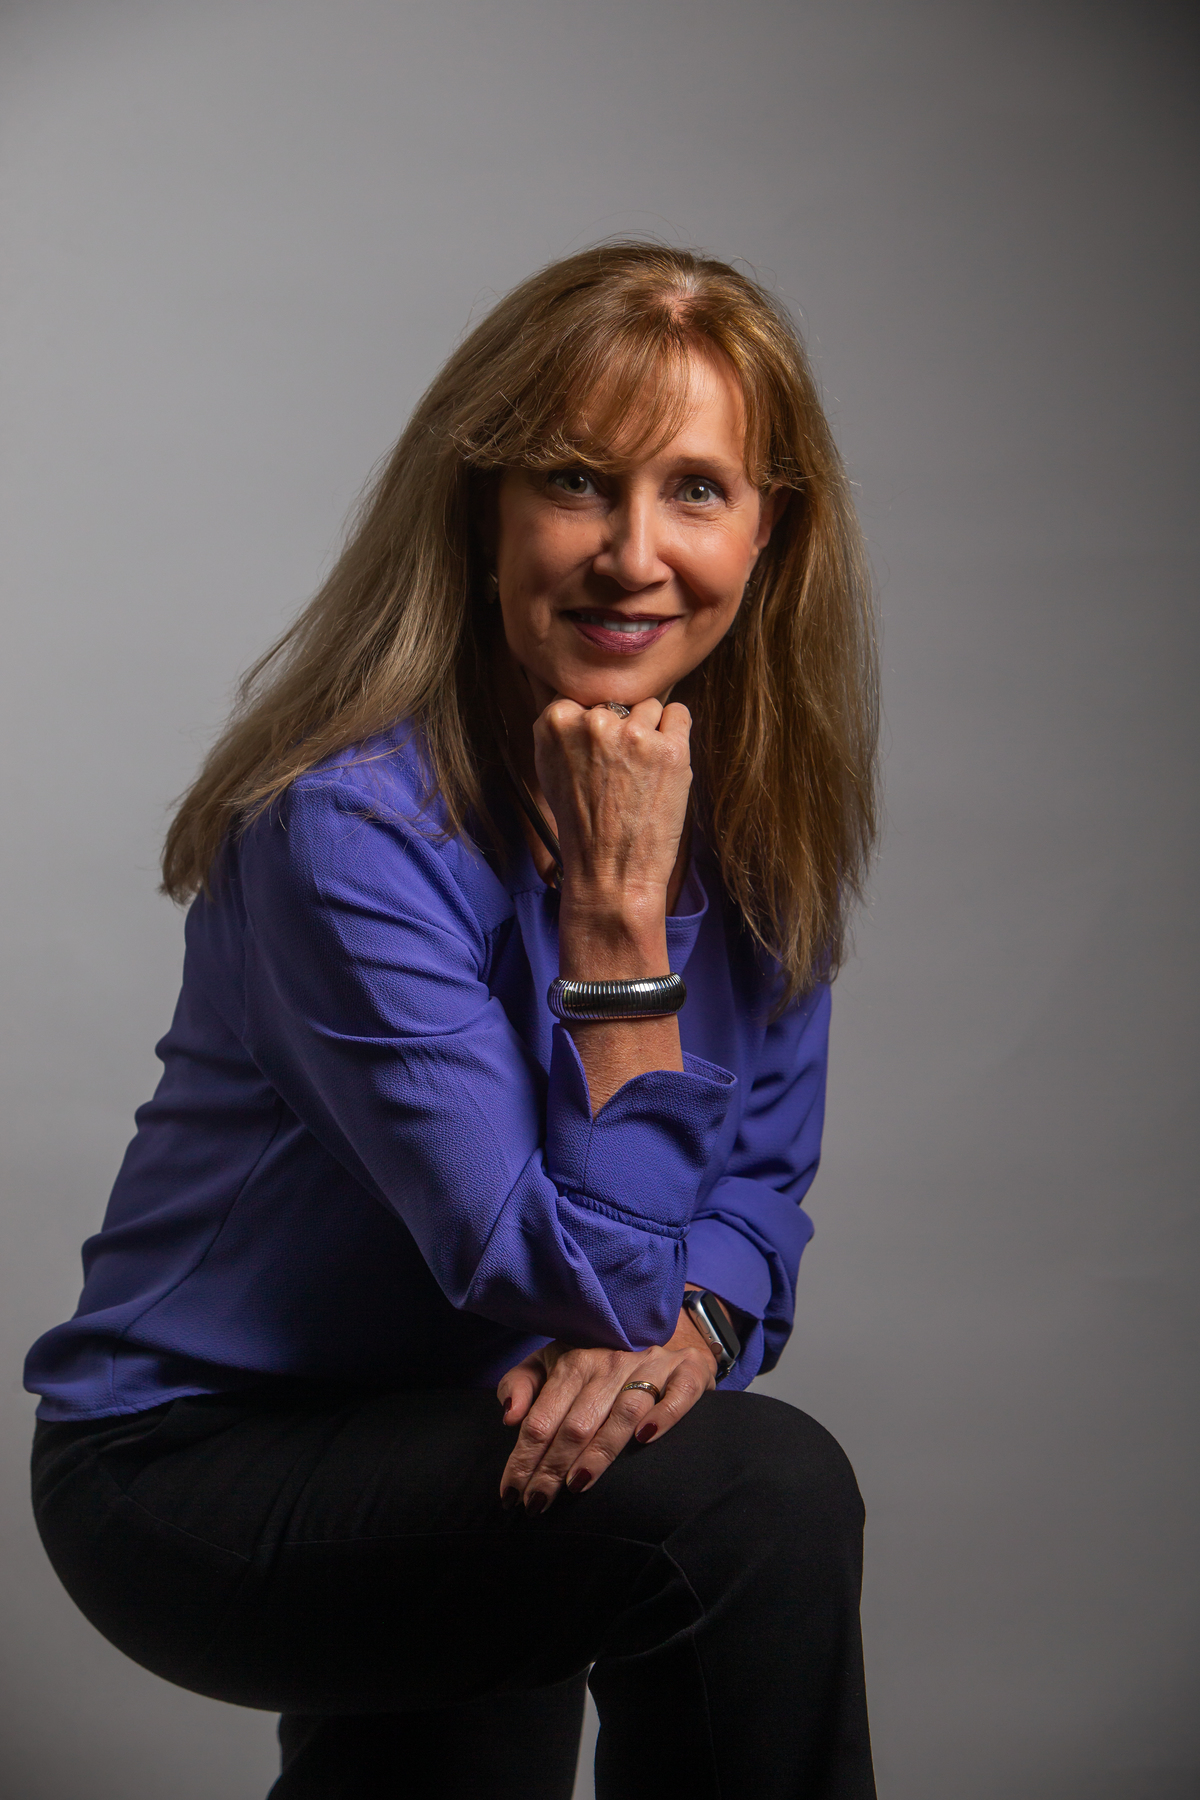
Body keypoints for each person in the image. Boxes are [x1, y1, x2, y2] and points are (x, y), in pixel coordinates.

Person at [25, 242, 880, 1799]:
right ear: (483, 510)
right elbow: (550, 1266)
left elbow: (758, 1193)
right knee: (755, 1500)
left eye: (696, 490)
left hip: (489, 1417)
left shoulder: (756, 821)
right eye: (577, 481)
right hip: (196, 1467)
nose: (633, 553)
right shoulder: (347, 829)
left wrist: (690, 1332)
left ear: (770, 532)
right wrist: (617, 924)